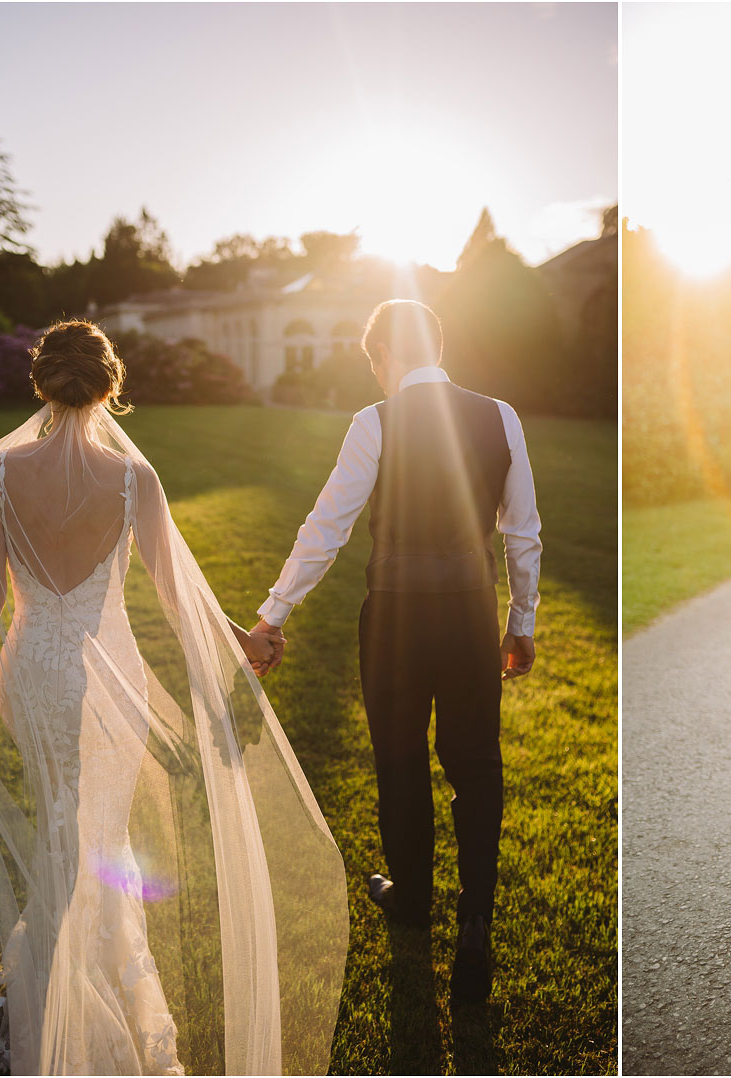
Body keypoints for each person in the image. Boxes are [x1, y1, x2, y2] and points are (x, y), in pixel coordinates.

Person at [0, 320, 349, 1074]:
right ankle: (66, 993)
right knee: (92, 827)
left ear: (41, 381)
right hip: (111, 678)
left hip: (31, 673)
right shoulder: (134, 480)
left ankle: (54, 983)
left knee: (64, 824)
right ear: (112, 384)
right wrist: (244, 638)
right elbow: (178, 592)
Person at [251, 298, 541, 1003]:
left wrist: (272, 616)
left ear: (382, 357)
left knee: (400, 755)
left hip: (396, 621)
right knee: (476, 763)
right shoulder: (500, 415)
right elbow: (522, 532)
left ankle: (412, 898)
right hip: (472, 614)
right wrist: (521, 619)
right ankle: (476, 921)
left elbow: (329, 526)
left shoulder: (374, 420)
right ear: (436, 346)